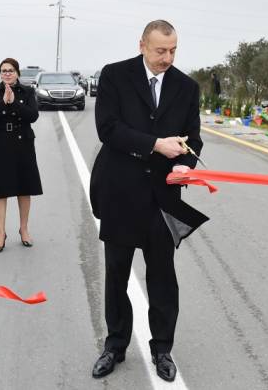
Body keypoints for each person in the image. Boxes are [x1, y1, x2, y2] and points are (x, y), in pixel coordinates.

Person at [89, 20, 208, 382]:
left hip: (161, 198)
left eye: (173, 51)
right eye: (160, 51)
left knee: (162, 277)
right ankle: (115, 345)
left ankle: (162, 349)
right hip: (120, 193)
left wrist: (186, 165)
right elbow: (107, 129)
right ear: (142, 45)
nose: (167, 58)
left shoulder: (187, 87)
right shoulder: (114, 76)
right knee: (116, 275)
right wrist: (155, 144)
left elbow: (193, 141)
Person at [0, 58, 42, 253]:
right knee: (0, 190)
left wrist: (14, 103)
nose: (7, 73)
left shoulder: (28, 92)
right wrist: (3, 103)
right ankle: (0, 234)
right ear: (0, 73)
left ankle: (24, 229)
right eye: (4, 71)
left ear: (17, 73)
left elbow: (33, 116)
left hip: (22, 143)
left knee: (24, 188)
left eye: (11, 70)